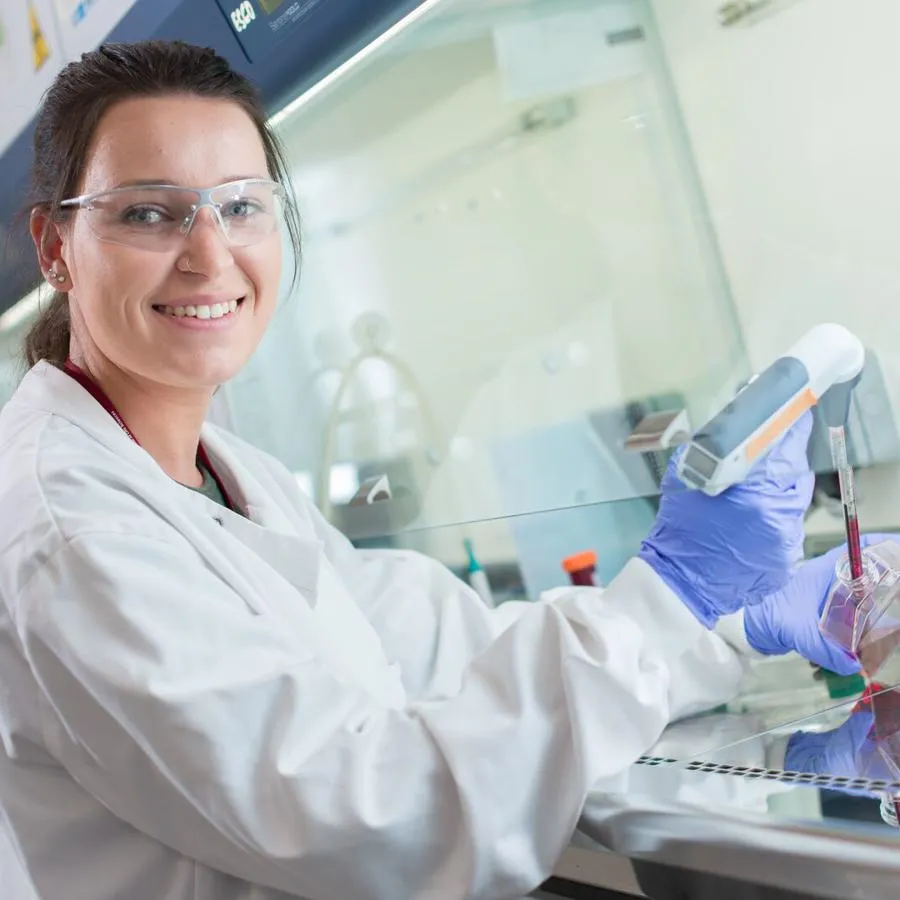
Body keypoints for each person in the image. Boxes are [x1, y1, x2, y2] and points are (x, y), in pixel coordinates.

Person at [0, 39, 870, 900]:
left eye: (240, 205)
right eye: (148, 213)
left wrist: (724, 626)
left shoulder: (225, 473)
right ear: (54, 246)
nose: (210, 255)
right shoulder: (74, 530)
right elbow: (370, 819)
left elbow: (435, 649)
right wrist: (674, 589)